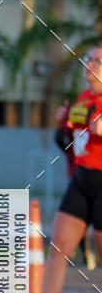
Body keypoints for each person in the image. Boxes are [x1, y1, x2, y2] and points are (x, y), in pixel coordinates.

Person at [29, 46, 102, 293]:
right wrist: (64, 126)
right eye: (88, 59)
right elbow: (71, 143)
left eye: (97, 61)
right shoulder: (83, 98)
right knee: (58, 245)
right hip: (82, 179)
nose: (89, 64)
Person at [54, 98, 97, 270]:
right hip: (78, 175)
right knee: (78, 220)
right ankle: (86, 253)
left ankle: (87, 253)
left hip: (96, 174)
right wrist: (63, 121)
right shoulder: (76, 123)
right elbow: (59, 137)